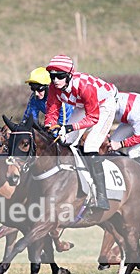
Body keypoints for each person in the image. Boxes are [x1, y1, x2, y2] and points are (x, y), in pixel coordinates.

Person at [44, 54, 118, 210]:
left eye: (60, 76)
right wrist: (49, 127)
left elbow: (92, 118)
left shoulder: (84, 86)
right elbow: (51, 110)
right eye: (52, 76)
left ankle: (102, 196)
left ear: (69, 75)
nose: (55, 80)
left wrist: (69, 127)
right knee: (66, 141)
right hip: (82, 106)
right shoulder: (53, 87)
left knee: (90, 145)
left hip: (104, 104)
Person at [108, 91, 140, 158]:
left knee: (132, 152)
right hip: (130, 117)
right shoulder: (108, 103)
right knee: (110, 144)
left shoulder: (133, 114)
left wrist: (120, 144)